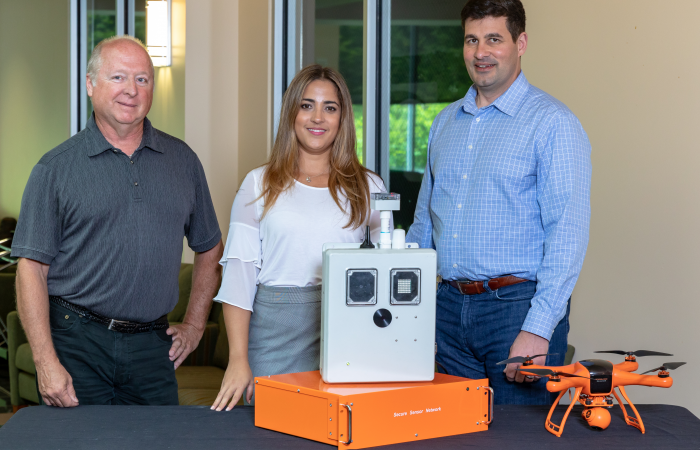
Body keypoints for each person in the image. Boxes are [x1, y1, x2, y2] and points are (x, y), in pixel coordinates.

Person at [12, 35, 223, 407]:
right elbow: (31, 269)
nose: (131, 90)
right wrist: (46, 362)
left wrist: (192, 326)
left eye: (142, 79)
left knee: (157, 444)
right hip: (77, 340)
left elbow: (209, 247)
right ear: (91, 85)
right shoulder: (55, 168)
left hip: (152, 347)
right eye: (118, 78)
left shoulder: (183, 161)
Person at [406, 0, 591, 405]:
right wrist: (414, 317)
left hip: (515, 310)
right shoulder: (444, 123)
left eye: (494, 39)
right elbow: (423, 226)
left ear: (520, 42)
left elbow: (567, 233)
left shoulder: (552, 123)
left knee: (518, 440)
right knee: (450, 437)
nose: (480, 52)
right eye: (471, 40)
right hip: (447, 310)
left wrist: (539, 328)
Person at [210, 65, 388, 411]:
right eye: (306, 105)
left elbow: (387, 272)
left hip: (347, 333)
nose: (317, 117)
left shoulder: (370, 187)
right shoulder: (258, 183)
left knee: (339, 432)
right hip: (274, 334)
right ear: (292, 112)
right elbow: (239, 278)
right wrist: (237, 358)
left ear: (342, 118)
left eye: (330, 107)